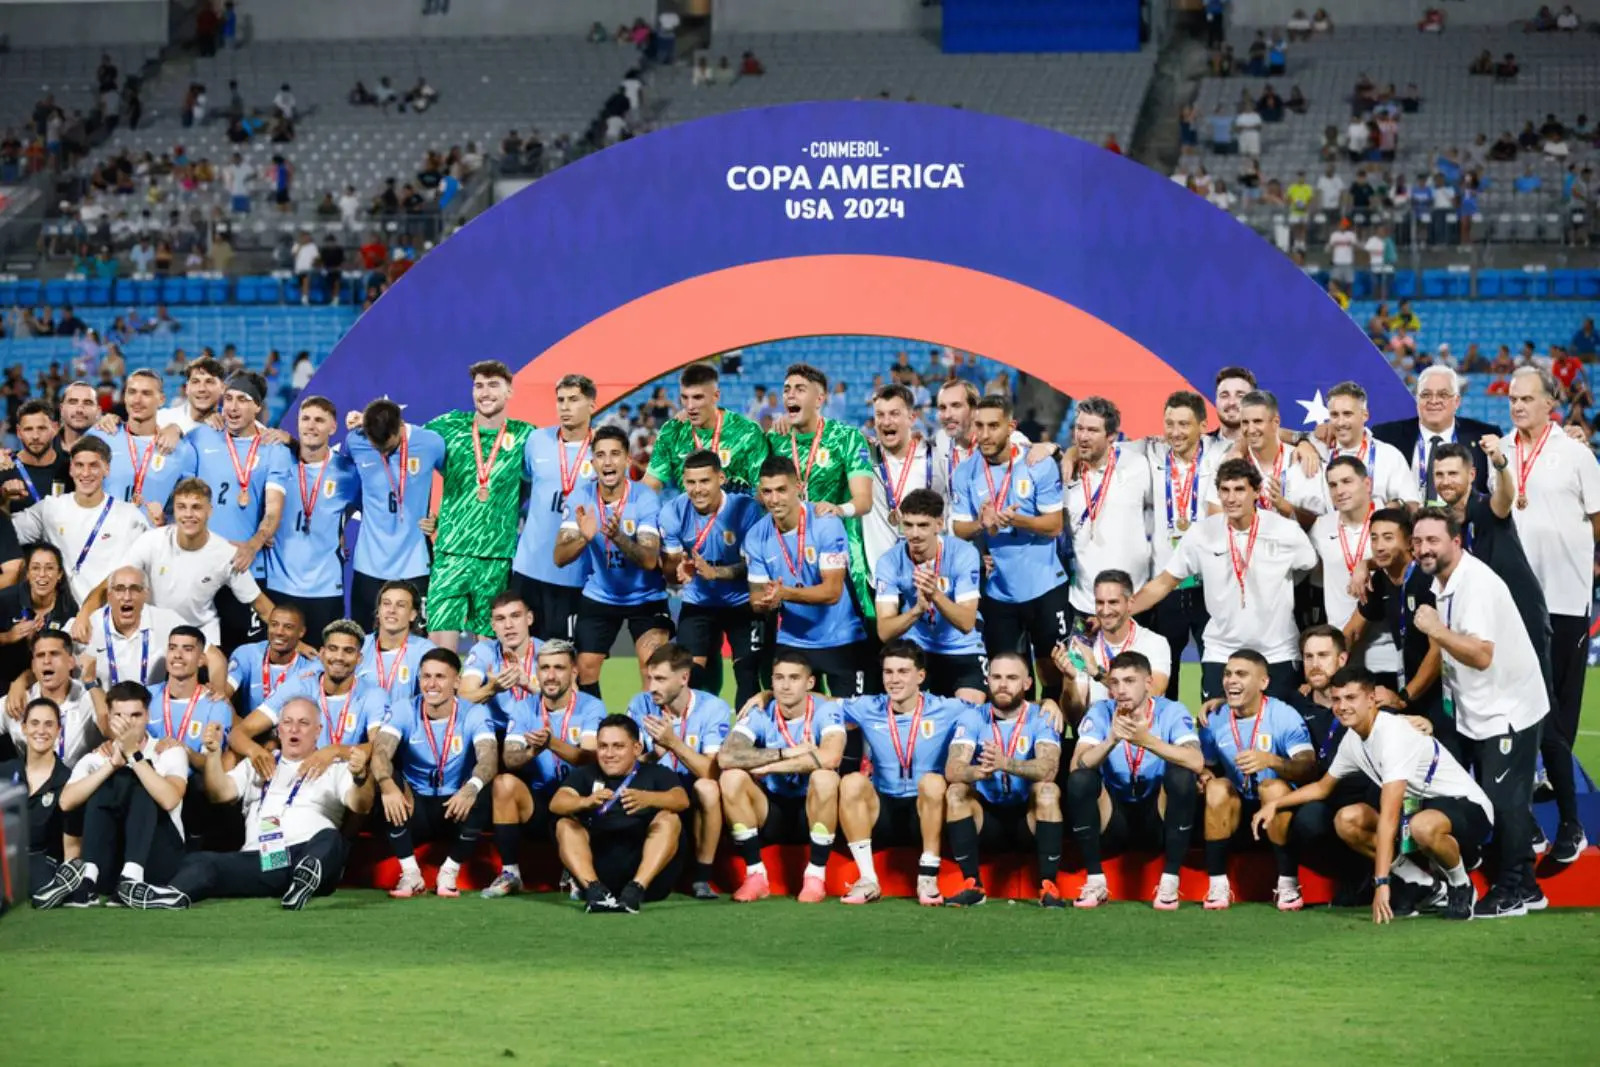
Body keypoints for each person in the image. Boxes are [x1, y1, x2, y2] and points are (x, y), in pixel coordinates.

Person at [1429, 441, 1585, 862]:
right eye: (1439, 474)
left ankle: (1571, 824)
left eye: (1453, 473)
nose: (1445, 481)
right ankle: (1523, 823)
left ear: (1470, 475)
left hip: (1525, 626)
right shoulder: (1442, 527)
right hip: (1484, 633)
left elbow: (1504, 496)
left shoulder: (1485, 508)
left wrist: (1500, 462)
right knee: (1484, 724)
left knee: (1543, 720)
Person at [1253, 667, 1490, 922]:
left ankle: (1460, 884)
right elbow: (1323, 787)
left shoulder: (1393, 735)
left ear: (1371, 699)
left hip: (1467, 808)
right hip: (1421, 812)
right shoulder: (1354, 739)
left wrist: (1382, 884)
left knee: (1421, 825)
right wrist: (1275, 805)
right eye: (1336, 699)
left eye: (1351, 698)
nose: (1342, 706)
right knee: (1348, 819)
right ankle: (1421, 883)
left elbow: (1389, 818)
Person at [1411, 509, 1548, 918]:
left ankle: (1514, 889)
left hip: (1508, 710)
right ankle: (1525, 886)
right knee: (1500, 800)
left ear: (1457, 541)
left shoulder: (1476, 585)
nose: (1423, 549)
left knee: (1506, 803)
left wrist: (1434, 629)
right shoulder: (1447, 581)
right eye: (1417, 541)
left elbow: (1482, 655)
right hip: (1483, 708)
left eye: (1432, 540)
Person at [121, 701, 374, 910]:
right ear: (279, 730)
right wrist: (212, 756)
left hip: (308, 853)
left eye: (303, 723)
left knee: (329, 839)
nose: (294, 729)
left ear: (318, 731)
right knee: (202, 860)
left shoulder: (335, 769)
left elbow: (360, 804)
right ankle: (173, 896)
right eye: (287, 722)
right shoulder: (259, 762)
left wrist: (361, 776)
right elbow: (220, 794)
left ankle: (304, 880)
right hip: (265, 859)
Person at [1132, 459, 1318, 699]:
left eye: (1239, 489)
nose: (1231, 498)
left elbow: (1309, 566)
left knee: (1276, 731)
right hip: (1222, 652)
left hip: (1277, 652)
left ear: (1256, 491)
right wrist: (1123, 610)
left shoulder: (1285, 531)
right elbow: (1164, 583)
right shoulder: (1201, 534)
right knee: (1217, 732)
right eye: (1225, 490)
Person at [1504, 367, 1599, 761]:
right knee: (1516, 688)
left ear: (1550, 403)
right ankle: (1523, 769)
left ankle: (1556, 776)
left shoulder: (1577, 454)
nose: (1518, 406)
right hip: (1514, 598)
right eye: (1512, 399)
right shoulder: (1501, 452)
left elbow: (1598, 518)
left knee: (1562, 691)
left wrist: (1576, 555)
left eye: (1527, 399)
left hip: (1565, 593)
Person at [1065, 650, 1203, 909]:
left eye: (1129, 681)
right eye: (1115, 682)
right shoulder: (1100, 712)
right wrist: (1111, 739)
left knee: (1182, 776)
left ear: (1148, 683)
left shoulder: (1171, 711)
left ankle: (1170, 882)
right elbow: (1076, 766)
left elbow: (1196, 761)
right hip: (1113, 816)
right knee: (1080, 780)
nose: (1121, 690)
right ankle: (1095, 881)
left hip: (1157, 816)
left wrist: (1146, 741)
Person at [835, 641, 970, 905]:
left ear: (920, 676)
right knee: (851, 782)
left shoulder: (948, 708)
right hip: (883, 810)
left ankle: (927, 876)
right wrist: (767, 696)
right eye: (888, 672)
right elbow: (819, 703)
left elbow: (994, 712)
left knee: (932, 782)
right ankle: (868, 879)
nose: (894, 679)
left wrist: (1047, 702)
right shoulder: (869, 706)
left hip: (926, 812)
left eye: (902, 672)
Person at [34, 682, 188, 908]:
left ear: (148, 716)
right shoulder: (97, 757)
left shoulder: (168, 751)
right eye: (120, 716)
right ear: (109, 718)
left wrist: (133, 756)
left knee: (136, 778)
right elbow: (66, 803)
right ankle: (87, 880)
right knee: (103, 780)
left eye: (136, 715)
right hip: (110, 861)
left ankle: (131, 878)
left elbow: (170, 799)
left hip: (157, 858)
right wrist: (112, 765)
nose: (128, 723)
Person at [950, 394, 1069, 684]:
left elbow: (1054, 526)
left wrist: (1015, 520)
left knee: (1052, 670)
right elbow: (958, 527)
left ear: (1010, 426)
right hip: (999, 592)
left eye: (994, 425)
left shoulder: (1036, 463)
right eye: (979, 425)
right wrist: (982, 523)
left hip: (1045, 587)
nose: (985, 434)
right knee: (1007, 675)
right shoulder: (965, 472)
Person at [476, 639, 604, 899]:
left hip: (577, 802)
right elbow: (510, 759)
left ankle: (575, 870)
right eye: (545, 668)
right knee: (503, 783)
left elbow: (591, 758)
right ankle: (511, 872)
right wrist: (533, 751)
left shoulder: (591, 707)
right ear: (537, 673)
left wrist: (552, 744)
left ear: (574, 673)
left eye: (559, 668)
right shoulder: (524, 709)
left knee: (585, 793)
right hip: (539, 803)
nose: (551, 675)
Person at [421, 360, 536, 648]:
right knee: (439, 655)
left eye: (493, 385)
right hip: (450, 555)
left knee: (487, 657)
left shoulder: (526, 435)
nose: (485, 393)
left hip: (496, 559)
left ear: (509, 391)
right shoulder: (449, 426)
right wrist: (367, 421)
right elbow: (407, 448)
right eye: (479, 386)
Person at [718, 648, 846, 903]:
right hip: (771, 810)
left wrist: (768, 767)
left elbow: (830, 757)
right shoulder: (760, 712)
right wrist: (786, 753)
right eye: (778, 678)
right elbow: (726, 757)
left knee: (825, 777)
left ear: (809, 683)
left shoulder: (826, 711)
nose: (785, 686)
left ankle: (815, 877)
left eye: (794, 678)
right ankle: (755, 876)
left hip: (813, 809)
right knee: (731, 777)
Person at [554, 425, 671, 698]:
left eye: (615, 454)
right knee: (584, 667)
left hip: (646, 596)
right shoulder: (582, 497)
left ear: (627, 459)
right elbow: (559, 557)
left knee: (653, 668)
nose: (608, 462)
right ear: (592, 462)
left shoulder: (644, 498)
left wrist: (617, 536)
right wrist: (584, 537)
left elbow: (650, 560)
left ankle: (647, 734)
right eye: (601, 455)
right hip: (601, 595)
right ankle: (596, 733)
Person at [1196, 649, 1318, 910]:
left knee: (1271, 787)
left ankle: (1287, 884)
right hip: (1236, 810)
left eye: (1241, 674)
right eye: (1227, 674)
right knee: (1217, 787)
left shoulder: (1283, 715)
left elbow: (1309, 767)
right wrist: (1204, 777)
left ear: (1263, 683)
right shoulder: (1214, 718)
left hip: (1278, 811)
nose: (1230, 680)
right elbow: (1208, 767)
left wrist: (1271, 761)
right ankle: (1217, 884)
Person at [941, 652, 1065, 908]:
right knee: (956, 790)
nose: (1003, 684)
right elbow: (953, 769)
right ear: (987, 680)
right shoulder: (973, 717)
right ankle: (972, 884)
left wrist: (1005, 764)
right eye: (996, 677)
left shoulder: (1042, 717)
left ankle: (1048, 886)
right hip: (987, 818)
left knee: (1048, 790)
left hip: (1028, 819)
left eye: (1011, 678)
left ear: (1028, 684)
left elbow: (1049, 769)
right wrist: (979, 772)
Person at [371, 648, 498, 899]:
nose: (431, 684)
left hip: (455, 806)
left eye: (440, 676)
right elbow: (380, 752)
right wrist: (387, 785)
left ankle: (449, 871)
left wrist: (470, 788)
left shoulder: (474, 712)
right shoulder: (404, 709)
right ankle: (411, 874)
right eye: (425, 676)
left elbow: (489, 758)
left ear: (457, 682)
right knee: (385, 781)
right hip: (415, 805)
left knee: (481, 786)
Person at [88, 477, 273, 647]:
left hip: (200, 636)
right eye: (181, 507)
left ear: (209, 511)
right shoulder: (150, 541)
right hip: (153, 634)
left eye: (196, 507)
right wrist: (83, 616)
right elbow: (112, 583)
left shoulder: (226, 554)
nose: (188, 514)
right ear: (174, 511)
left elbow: (262, 606)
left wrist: (297, 643)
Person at [745, 454, 867, 697]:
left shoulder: (825, 523)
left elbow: (832, 593)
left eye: (781, 490)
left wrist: (785, 593)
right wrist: (765, 602)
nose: (774, 499)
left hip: (841, 637)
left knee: (851, 724)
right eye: (767, 492)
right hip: (794, 641)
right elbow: (756, 598)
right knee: (792, 718)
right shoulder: (756, 536)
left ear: (798, 488)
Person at [765, 363, 876, 622]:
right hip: (789, 547)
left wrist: (839, 509)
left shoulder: (846, 437)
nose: (790, 395)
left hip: (839, 546)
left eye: (800, 389)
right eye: (787, 390)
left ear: (819, 398)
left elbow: (863, 500)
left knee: (863, 625)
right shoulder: (775, 439)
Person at [187, 372, 291, 648]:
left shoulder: (274, 449)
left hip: (245, 568)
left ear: (257, 406)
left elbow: (273, 510)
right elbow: (183, 497)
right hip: (199, 566)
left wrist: (252, 545)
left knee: (243, 654)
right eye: (228, 399)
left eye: (242, 400)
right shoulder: (201, 437)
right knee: (197, 655)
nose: (231, 408)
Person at [621, 642, 732, 899]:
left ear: (684, 677)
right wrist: (654, 754)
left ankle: (702, 877)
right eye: (650, 678)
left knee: (707, 788)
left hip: (692, 789)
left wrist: (673, 743)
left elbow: (713, 773)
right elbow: (623, 766)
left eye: (660, 679)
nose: (651, 688)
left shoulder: (713, 708)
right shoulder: (640, 705)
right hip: (655, 791)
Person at [549, 713, 689, 913]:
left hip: (647, 877)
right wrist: (584, 802)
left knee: (669, 818)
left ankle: (634, 890)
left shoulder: (657, 773)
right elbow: (557, 803)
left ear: (637, 749)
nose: (609, 753)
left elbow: (681, 799)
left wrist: (649, 799)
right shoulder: (585, 774)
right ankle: (595, 892)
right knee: (564, 823)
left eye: (618, 746)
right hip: (598, 868)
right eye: (603, 746)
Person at [660, 449, 766, 710]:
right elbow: (671, 571)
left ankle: (747, 742)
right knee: (689, 676)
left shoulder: (746, 510)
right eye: (691, 482)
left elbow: (757, 566)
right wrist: (679, 566)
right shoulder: (673, 512)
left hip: (743, 603)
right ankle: (698, 740)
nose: (697, 490)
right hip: (699, 602)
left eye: (705, 481)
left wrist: (715, 573)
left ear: (720, 478)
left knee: (748, 675)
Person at [1345, 510, 1450, 748]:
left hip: (1443, 690)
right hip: (1409, 687)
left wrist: (1403, 698)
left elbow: (1438, 651)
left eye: (1388, 537)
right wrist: (1326, 673)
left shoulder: (1427, 580)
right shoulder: (1380, 579)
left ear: (1409, 543)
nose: (1379, 546)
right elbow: (1351, 631)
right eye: (1374, 538)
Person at [874, 488, 986, 703]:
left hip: (962, 647)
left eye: (923, 525)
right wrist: (917, 610)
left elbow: (966, 623)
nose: (914, 534)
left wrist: (935, 594)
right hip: (916, 648)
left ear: (939, 524)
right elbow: (885, 632)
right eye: (908, 525)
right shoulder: (889, 562)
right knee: (909, 713)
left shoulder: (963, 554)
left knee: (968, 714)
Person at [342, 398, 446, 629]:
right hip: (368, 564)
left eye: (388, 447)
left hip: (414, 563)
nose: (382, 452)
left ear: (400, 426)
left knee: (415, 643)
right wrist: (341, 524)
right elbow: (341, 482)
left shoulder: (430, 443)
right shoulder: (355, 441)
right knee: (365, 641)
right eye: (376, 446)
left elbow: (458, 484)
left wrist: (439, 518)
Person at [1142, 390, 1219, 699]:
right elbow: (1103, 446)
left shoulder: (1221, 452)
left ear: (1203, 425)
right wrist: (1058, 449)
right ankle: (1165, 741)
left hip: (1208, 584)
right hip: (1167, 584)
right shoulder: (1150, 453)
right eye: (1169, 423)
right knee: (1164, 670)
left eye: (1184, 424)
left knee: (1214, 670)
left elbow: (1262, 432)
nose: (1175, 432)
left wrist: (1303, 439)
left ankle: (1213, 740)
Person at [230, 620, 385, 774]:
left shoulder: (373, 694)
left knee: (369, 775)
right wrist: (255, 751)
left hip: (346, 775)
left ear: (359, 659)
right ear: (322, 654)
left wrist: (335, 750)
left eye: (348, 651)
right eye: (333, 649)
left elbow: (379, 746)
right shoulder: (299, 686)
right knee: (230, 758)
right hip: (299, 774)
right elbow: (239, 733)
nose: (339, 657)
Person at [12, 436, 151, 604]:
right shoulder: (50, 508)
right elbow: (8, 534)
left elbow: (148, 566)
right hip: (61, 618)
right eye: (79, 465)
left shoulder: (129, 516)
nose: (85, 473)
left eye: (93, 466)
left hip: (108, 617)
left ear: (107, 469)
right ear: (71, 469)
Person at [511, 374, 598, 643]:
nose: (565, 407)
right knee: (521, 656)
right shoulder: (537, 440)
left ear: (591, 405)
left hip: (574, 574)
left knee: (564, 662)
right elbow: (520, 483)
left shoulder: (603, 450)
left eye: (574, 400)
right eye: (560, 400)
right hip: (528, 570)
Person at [263, 396, 359, 638]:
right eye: (305, 419)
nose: (311, 425)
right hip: (278, 584)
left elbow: (376, 509)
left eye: (319, 420)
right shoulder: (279, 461)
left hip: (325, 589)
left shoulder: (348, 472)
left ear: (333, 427)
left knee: (321, 664)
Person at [1064, 397, 1153, 621]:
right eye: (1079, 428)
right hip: (1084, 602)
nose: (1083, 437)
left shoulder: (1138, 465)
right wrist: (1061, 451)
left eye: (1092, 430)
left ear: (1111, 436)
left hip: (1134, 602)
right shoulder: (1064, 474)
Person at [1311, 457, 1400, 681]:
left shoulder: (1389, 520)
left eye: (1347, 481)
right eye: (1333, 485)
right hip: (1341, 650)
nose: (1340, 490)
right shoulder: (1322, 527)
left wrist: (1366, 563)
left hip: (1385, 652)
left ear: (1367, 484)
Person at [1371, 366, 1501, 499]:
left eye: (1443, 395)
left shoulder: (1483, 436)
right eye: (1426, 395)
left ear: (1456, 401)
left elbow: (1499, 495)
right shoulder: (1385, 436)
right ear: (1417, 400)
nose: (1433, 401)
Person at [1056, 569, 1173, 714]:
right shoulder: (1083, 646)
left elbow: (1151, 696)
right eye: (1100, 602)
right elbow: (1073, 717)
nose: (1105, 611)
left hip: (1139, 732)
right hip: (1097, 733)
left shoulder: (1154, 643)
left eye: (1113, 602)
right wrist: (1069, 680)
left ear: (1130, 603)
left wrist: (1098, 674)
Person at [644, 361, 770, 494]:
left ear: (716, 396)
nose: (690, 406)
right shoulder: (672, 432)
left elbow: (765, 490)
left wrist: (741, 498)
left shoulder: (747, 432)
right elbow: (650, 484)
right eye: (685, 398)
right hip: (690, 512)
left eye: (697, 397)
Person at [92, 370, 198, 518]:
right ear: (125, 397)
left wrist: (165, 522)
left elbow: (188, 506)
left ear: (161, 399)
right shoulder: (101, 436)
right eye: (132, 392)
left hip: (153, 539)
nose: (137, 400)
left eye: (146, 393)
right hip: (103, 537)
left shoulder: (182, 449)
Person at [1208, 390, 1323, 520]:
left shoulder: (1304, 460)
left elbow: (1319, 524)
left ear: (1276, 423)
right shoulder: (1229, 461)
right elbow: (1214, 517)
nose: (1250, 430)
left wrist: (1284, 507)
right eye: (1245, 422)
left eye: (1257, 421)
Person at [2, 697, 74, 898]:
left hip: (43, 861)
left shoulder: (68, 779)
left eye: (49, 724)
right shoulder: (5, 771)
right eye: (34, 723)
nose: (41, 731)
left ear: (59, 731)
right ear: (24, 728)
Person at [861, 383, 938, 567]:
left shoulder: (934, 458)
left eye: (894, 414)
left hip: (927, 577)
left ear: (912, 418)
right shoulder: (862, 457)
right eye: (880, 415)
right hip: (879, 582)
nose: (886, 422)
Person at [1319, 380, 1423, 509]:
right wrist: (1303, 442)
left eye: (1347, 414)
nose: (1340, 422)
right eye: (1334, 415)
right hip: (1331, 528)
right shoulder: (1318, 452)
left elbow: (1412, 504)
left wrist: (1386, 510)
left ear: (1365, 415)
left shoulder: (1389, 455)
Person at [459, 592, 543, 733]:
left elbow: (565, 705)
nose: (508, 625)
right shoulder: (484, 651)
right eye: (500, 619)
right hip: (495, 731)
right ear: (493, 625)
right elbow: (463, 698)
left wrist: (529, 686)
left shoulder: (546, 653)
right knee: (477, 718)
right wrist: (492, 688)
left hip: (535, 730)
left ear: (529, 618)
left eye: (515, 616)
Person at [0, 544, 78, 692]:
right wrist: (7, 637)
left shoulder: (68, 610)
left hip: (45, 685)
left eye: (49, 568)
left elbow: (65, 660)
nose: (42, 574)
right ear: (27, 573)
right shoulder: (5, 600)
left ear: (60, 574)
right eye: (35, 568)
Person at [357, 580, 435, 714]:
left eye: (401, 605)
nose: (392, 610)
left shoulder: (425, 651)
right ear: (378, 611)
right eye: (386, 604)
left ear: (413, 615)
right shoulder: (360, 645)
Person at [224, 604, 315, 714]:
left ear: (301, 632)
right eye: (274, 625)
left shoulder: (309, 667)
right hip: (247, 728)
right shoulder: (247, 654)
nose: (279, 632)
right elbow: (223, 695)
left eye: (288, 627)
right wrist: (241, 728)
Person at [2, 400, 71, 503]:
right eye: (28, 429)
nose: (35, 436)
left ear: (55, 429)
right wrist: (2, 495)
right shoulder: (4, 466)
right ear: (19, 432)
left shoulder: (72, 466)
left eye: (42, 428)